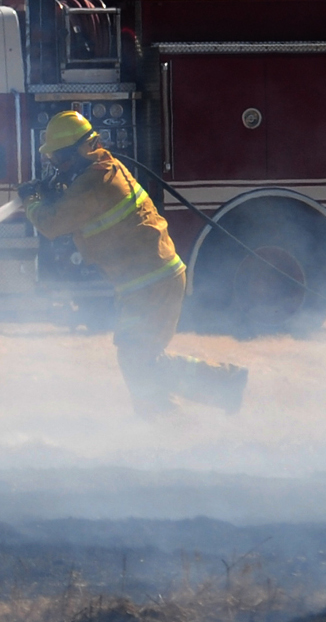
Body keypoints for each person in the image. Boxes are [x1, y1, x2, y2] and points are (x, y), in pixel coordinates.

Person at [21, 110, 248, 416]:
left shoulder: (94, 184)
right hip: (147, 281)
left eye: (61, 160)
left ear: (84, 150)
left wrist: (32, 201)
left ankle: (177, 416)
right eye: (54, 161)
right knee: (139, 358)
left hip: (151, 282)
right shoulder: (102, 171)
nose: (58, 168)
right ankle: (214, 388)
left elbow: (51, 223)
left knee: (137, 360)